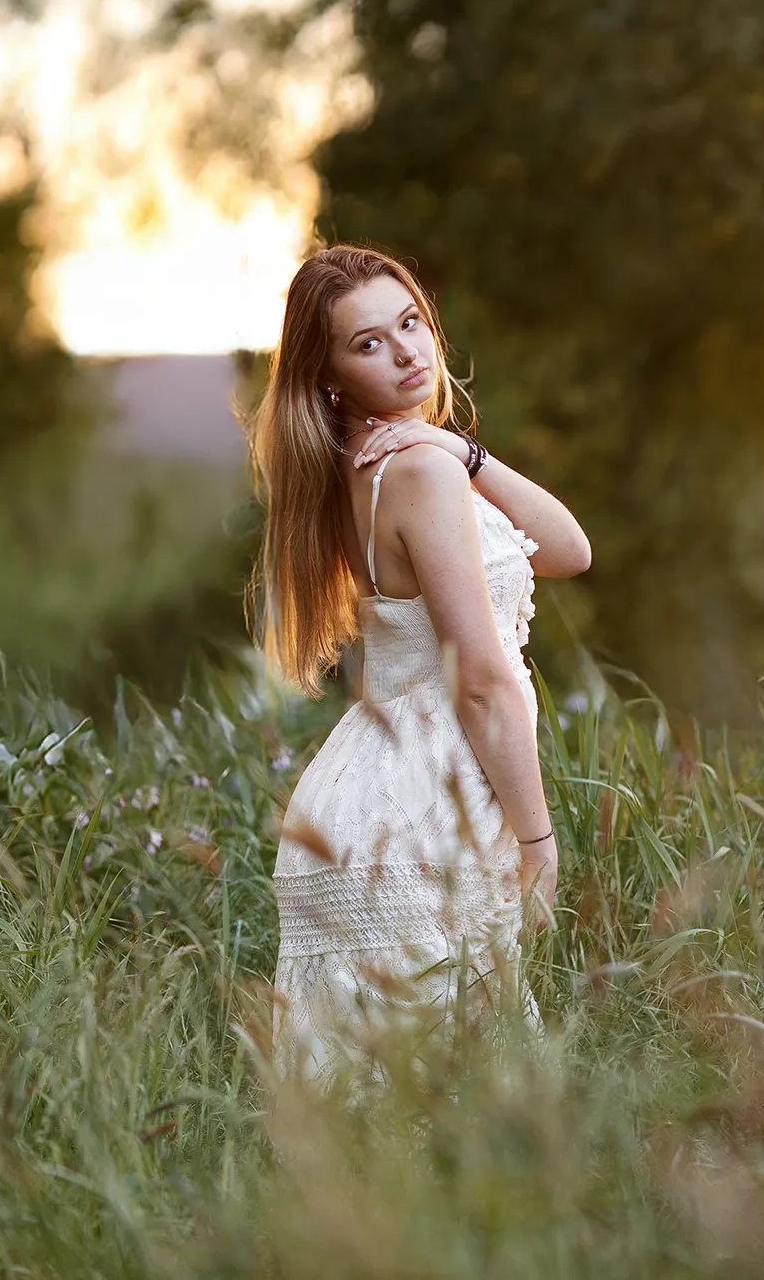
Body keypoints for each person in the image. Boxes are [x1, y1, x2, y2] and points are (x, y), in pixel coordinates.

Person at [239, 243, 591, 1089]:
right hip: (424, 816)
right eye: (368, 343)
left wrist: (461, 450)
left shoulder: (386, 465)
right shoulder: (417, 473)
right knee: (469, 1114)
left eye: (410, 324)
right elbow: (480, 674)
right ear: (330, 376)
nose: (405, 352)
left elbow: (570, 548)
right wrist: (538, 840)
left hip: (359, 803)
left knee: (379, 1125)